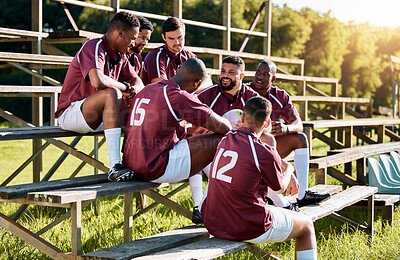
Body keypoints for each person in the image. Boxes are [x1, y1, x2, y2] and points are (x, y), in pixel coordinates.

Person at [200, 96, 318, 260]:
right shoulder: (262, 151)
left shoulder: (225, 140)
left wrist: (279, 163)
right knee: (306, 225)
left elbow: (256, 158)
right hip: (246, 225)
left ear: (242, 117)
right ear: (268, 123)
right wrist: (289, 169)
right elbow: (279, 188)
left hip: (213, 221)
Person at [122, 58, 232, 223]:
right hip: (153, 168)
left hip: (130, 163)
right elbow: (225, 127)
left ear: (178, 70)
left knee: (194, 140)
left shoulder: (148, 88)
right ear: (196, 84)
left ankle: (202, 205)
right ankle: (207, 206)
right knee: (223, 139)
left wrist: (187, 130)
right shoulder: (178, 95)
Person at [197, 56, 299, 211]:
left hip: (242, 150)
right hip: (213, 150)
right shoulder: (206, 96)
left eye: (231, 72)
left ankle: (278, 203)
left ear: (242, 76)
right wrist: (212, 127)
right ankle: (201, 206)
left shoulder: (252, 98)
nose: (225, 75)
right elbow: (191, 129)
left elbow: (267, 127)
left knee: (268, 140)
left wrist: (244, 128)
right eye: (223, 71)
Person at [55, 11, 145, 181]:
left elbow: (137, 81)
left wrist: (133, 91)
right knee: (113, 93)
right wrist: (126, 87)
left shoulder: (121, 54)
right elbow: (98, 81)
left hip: (98, 114)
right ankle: (115, 166)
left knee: (141, 104)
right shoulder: (94, 46)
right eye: (132, 38)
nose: (134, 43)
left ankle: (141, 161)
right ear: (120, 33)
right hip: (71, 112)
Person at [247, 60, 331, 207]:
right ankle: (270, 197)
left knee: (300, 138)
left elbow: (298, 123)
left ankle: (302, 194)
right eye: (258, 73)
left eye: (265, 74)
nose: (259, 77)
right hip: (248, 146)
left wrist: (285, 128)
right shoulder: (245, 91)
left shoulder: (280, 95)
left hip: (271, 146)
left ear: (273, 79)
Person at [141, 16, 196, 85]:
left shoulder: (190, 56)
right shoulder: (155, 56)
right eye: (171, 38)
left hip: (182, 94)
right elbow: (162, 87)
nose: (177, 42)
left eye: (180, 37)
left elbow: (206, 82)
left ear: (184, 34)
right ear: (164, 37)